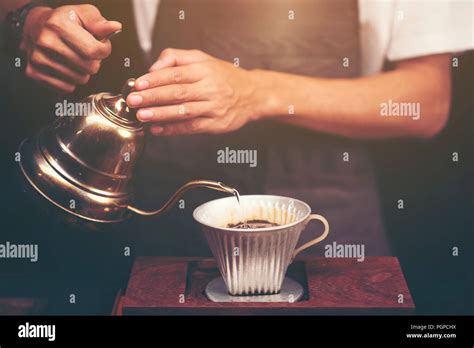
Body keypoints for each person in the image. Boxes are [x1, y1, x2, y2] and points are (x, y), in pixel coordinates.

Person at [2, 0, 472, 259]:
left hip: (329, 222)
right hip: (168, 214)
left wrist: (256, 92)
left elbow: (427, 102)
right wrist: (31, 20)